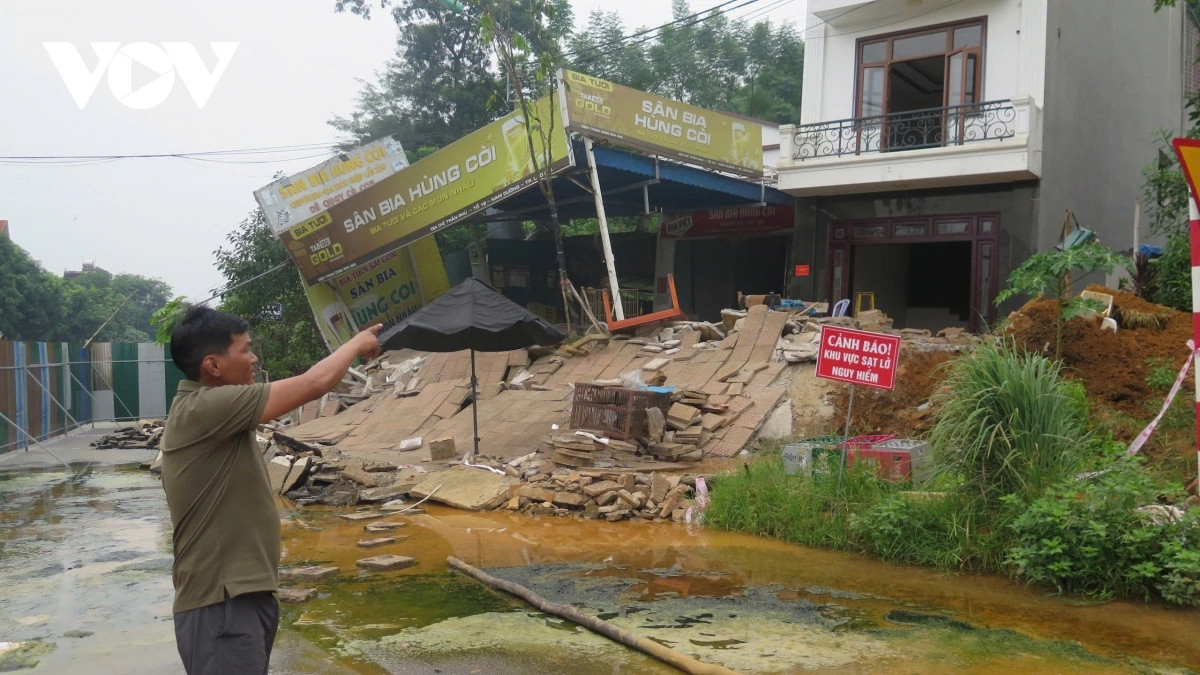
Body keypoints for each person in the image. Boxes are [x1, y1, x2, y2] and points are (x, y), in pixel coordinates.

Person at [160, 306, 381, 674]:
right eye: (245, 349)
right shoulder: (206, 406)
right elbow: (315, 383)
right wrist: (356, 343)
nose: (254, 358)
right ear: (213, 365)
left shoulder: (212, 409)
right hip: (222, 602)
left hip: (239, 597)